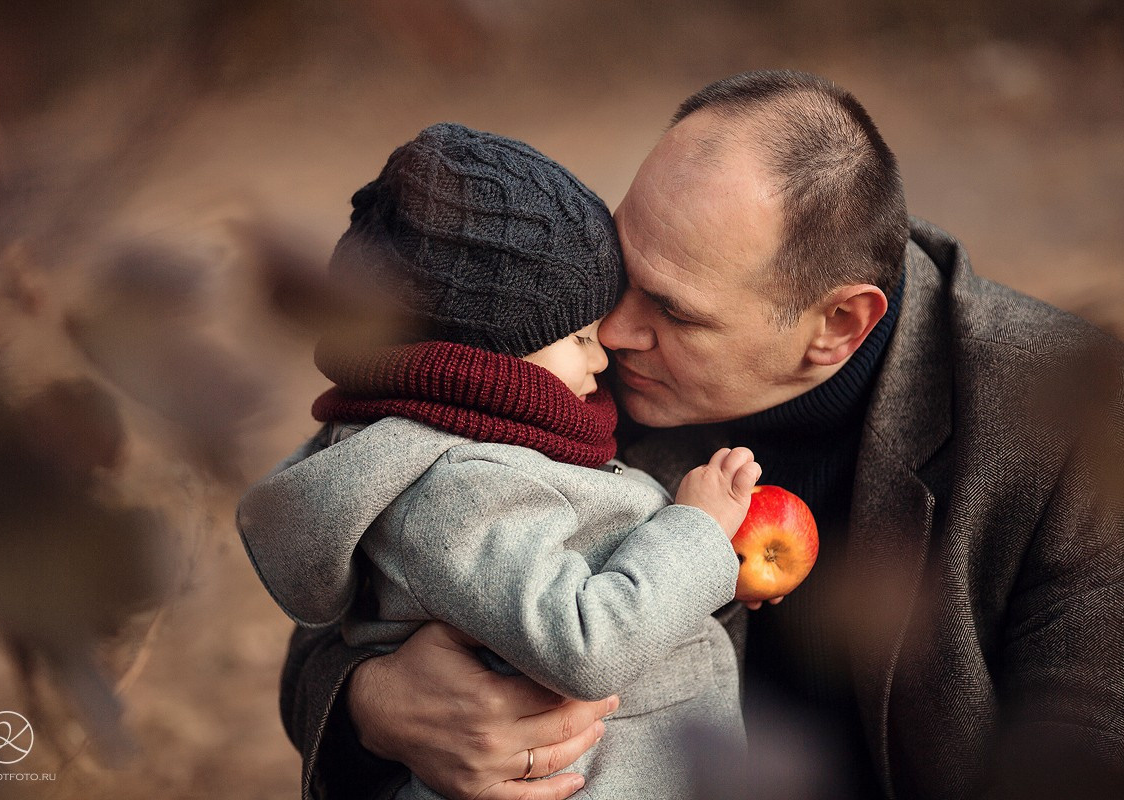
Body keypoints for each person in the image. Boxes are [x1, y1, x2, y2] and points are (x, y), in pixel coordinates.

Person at [276, 72, 1124, 800]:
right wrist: (374, 707)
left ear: (837, 324)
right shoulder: (553, 370)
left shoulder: (1066, 419)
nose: (609, 334)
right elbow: (343, 595)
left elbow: (1088, 748)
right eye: (622, 271)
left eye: (674, 311)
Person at [238, 122, 781, 798]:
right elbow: (587, 643)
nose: (605, 353)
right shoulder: (457, 489)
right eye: (580, 335)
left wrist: (717, 571)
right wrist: (695, 536)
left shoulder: (498, 446)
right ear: (483, 359)